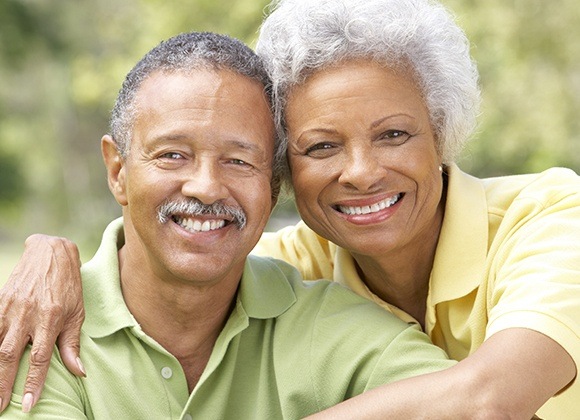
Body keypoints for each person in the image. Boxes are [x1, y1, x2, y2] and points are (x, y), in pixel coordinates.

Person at [2, 0, 579, 417]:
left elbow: (490, 400)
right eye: (322, 146)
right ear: (285, 171)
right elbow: (183, 242)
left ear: (442, 134)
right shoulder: (287, 265)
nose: (360, 171)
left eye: (395, 135)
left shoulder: (552, 217)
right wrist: (50, 255)